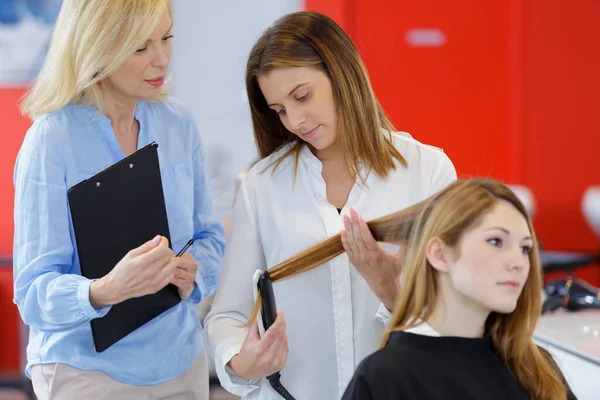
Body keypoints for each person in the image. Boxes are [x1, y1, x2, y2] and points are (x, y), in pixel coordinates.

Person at [204, 10, 456, 399]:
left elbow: (456, 315)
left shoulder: (427, 171)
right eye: (280, 110)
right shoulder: (263, 185)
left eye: (302, 96)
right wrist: (241, 360)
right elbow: (228, 315)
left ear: (342, 71)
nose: (296, 120)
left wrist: (392, 293)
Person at [13, 1, 224, 398]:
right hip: (85, 371)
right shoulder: (51, 141)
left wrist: (194, 273)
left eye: (167, 38)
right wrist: (105, 289)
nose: (162, 59)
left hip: (180, 361)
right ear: (98, 48)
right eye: (141, 47)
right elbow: (33, 294)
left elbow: (210, 237)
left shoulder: (178, 124)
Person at [333, 179, 576, 400]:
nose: (519, 262)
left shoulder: (537, 369)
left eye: (525, 248)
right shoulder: (387, 377)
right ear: (439, 254)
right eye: (496, 241)